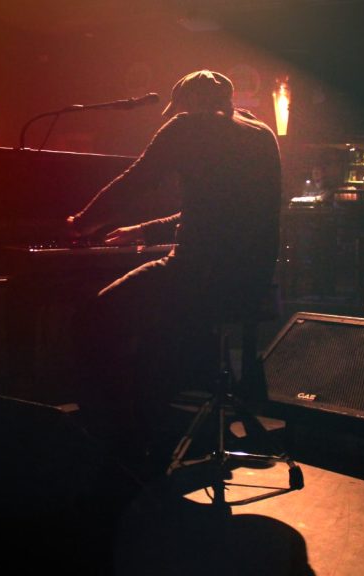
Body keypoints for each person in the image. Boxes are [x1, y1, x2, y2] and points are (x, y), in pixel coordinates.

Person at [65, 70, 283, 459]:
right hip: (251, 281)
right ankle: (152, 418)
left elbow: (136, 180)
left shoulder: (187, 127)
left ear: (189, 105)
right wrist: (144, 231)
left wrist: (81, 222)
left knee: (92, 317)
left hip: (198, 274)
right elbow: (217, 211)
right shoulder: (261, 135)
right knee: (154, 325)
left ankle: (115, 433)